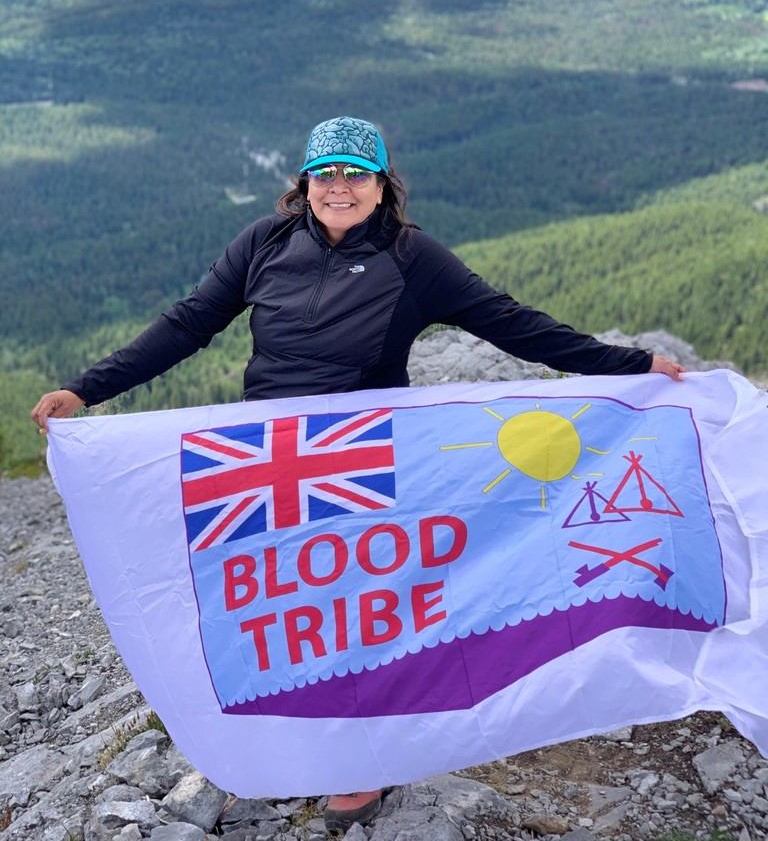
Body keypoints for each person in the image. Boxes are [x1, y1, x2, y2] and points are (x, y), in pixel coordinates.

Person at [32, 115, 684, 832]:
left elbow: (512, 324)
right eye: (327, 174)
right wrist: (88, 389)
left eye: (356, 174)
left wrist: (632, 367)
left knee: (351, 613)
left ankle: (357, 765)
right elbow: (189, 324)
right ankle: (288, 736)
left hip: (361, 461)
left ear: (381, 185)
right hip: (269, 457)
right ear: (305, 183)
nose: (340, 187)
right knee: (278, 606)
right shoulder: (264, 243)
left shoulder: (413, 259)